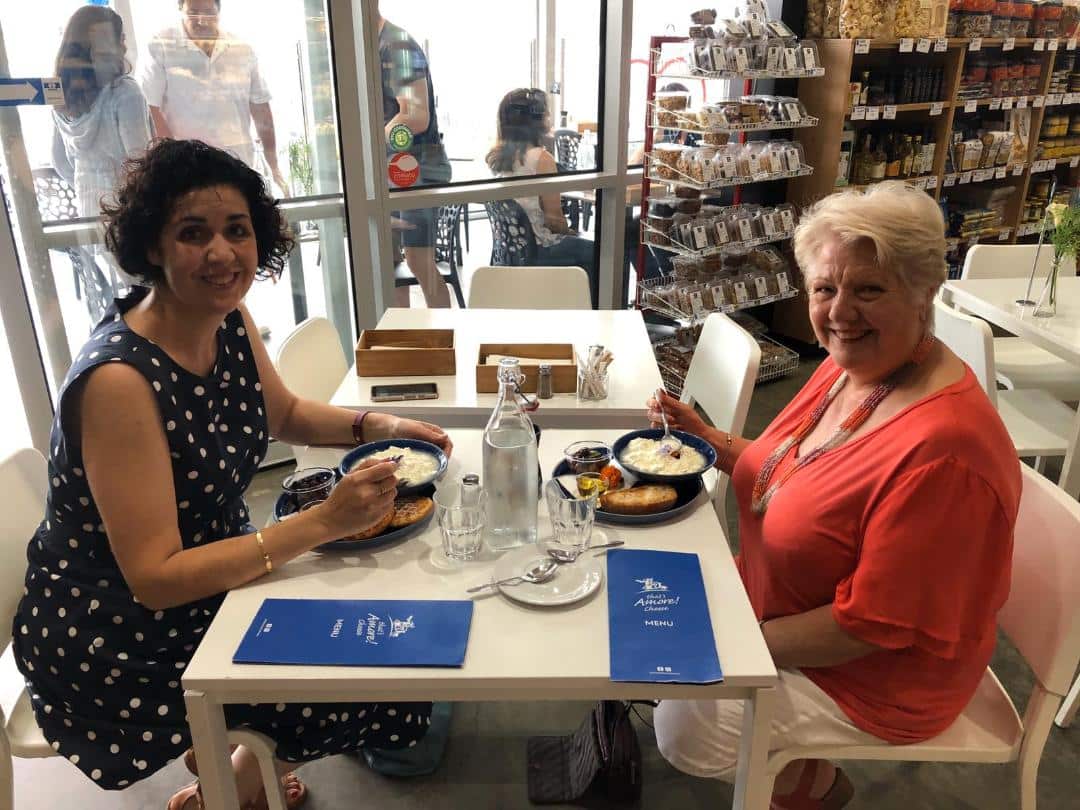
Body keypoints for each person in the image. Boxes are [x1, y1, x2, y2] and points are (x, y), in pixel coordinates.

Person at [11, 139, 454, 810]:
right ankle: (237, 770)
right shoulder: (119, 383)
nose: (221, 253)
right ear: (153, 246)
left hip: (218, 568)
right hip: (120, 632)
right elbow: (154, 579)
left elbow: (286, 413)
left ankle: (236, 763)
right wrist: (324, 521)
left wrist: (378, 425)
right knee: (369, 668)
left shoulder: (227, 318)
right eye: (193, 233)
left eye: (237, 230)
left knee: (378, 616)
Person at [646, 182, 1021, 809]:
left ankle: (810, 785)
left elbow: (868, 629)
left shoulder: (944, 452)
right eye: (825, 289)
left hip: (877, 676)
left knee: (688, 725)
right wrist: (711, 439)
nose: (840, 311)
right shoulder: (854, 367)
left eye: (869, 289)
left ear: (924, 289)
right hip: (786, 605)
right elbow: (792, 468)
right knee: (648, 601)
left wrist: (737, 642)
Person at [140, 0, 288, 195]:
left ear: (219, 11)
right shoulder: (161, 46)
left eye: (209, 12)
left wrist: (273, 165)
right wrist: (172, 158)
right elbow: (150, 107)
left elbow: (260, 108)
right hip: (187, 171)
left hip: (239, 165)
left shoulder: (241, 49)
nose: (202, 20)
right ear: (180, 9)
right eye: (193, 13)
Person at [486, 87, 598, 308]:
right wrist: (571, 231)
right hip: (540, 249)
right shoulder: (541, 159)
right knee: (600, 252)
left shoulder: (496, 159)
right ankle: (594, 315)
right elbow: (554, 221)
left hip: (512, 250)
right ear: (538, 120)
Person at [378, 3, 453, 308]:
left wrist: (370, 142)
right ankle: (404, 343)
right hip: (397, 168)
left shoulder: (396, 45)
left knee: (418, 261)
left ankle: (448, 339)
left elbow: (417, 115)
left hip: (415, 167)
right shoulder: (374, 45)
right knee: (392, 264)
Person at [51, 5, 152, 218]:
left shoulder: (61, 95)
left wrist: (89, 184)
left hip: (86, 209)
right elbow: (141, 163)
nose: (125, 46)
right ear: (108, 45)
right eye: (120, 39)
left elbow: (60, 162)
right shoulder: (124, 92)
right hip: (126, 209)